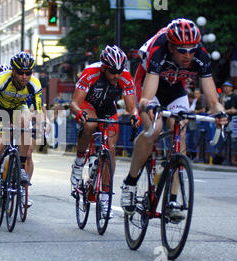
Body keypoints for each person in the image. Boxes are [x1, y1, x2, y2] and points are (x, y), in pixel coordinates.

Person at [121, 18, 228, 221]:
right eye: (182, 51)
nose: (188, 56)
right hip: (147, 84)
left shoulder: (201, 56)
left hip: (174, 87)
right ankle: (131, 182)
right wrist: (150, 106)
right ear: (171, 46)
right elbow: (146, 99)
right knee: (155, 128)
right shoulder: (158, 51)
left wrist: (220, 113)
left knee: (181, 129)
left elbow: (213, 101)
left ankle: (172, 199)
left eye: (192, 50)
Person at [70, 45, 141, 218]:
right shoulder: (90, 72)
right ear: (104, 68)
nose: (117, 75)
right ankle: (79, 161)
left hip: (108, 109)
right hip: (88, 105)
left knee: (110, 149)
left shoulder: (124, 76)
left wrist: (135, 116)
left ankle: (105, 197)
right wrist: (79, 113)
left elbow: (132, 107)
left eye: (119, 71)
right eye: (112, 72)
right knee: (90, 126)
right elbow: (74, 104)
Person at [0, 51, 43, 211]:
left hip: (18, 109)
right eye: (20, 73)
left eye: (28, 73)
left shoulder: (34, 84)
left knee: (26, 121)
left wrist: (41, 124)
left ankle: (21, 169)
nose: (24, 77)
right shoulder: (2, 80)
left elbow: (38, 110)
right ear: (13, 71)